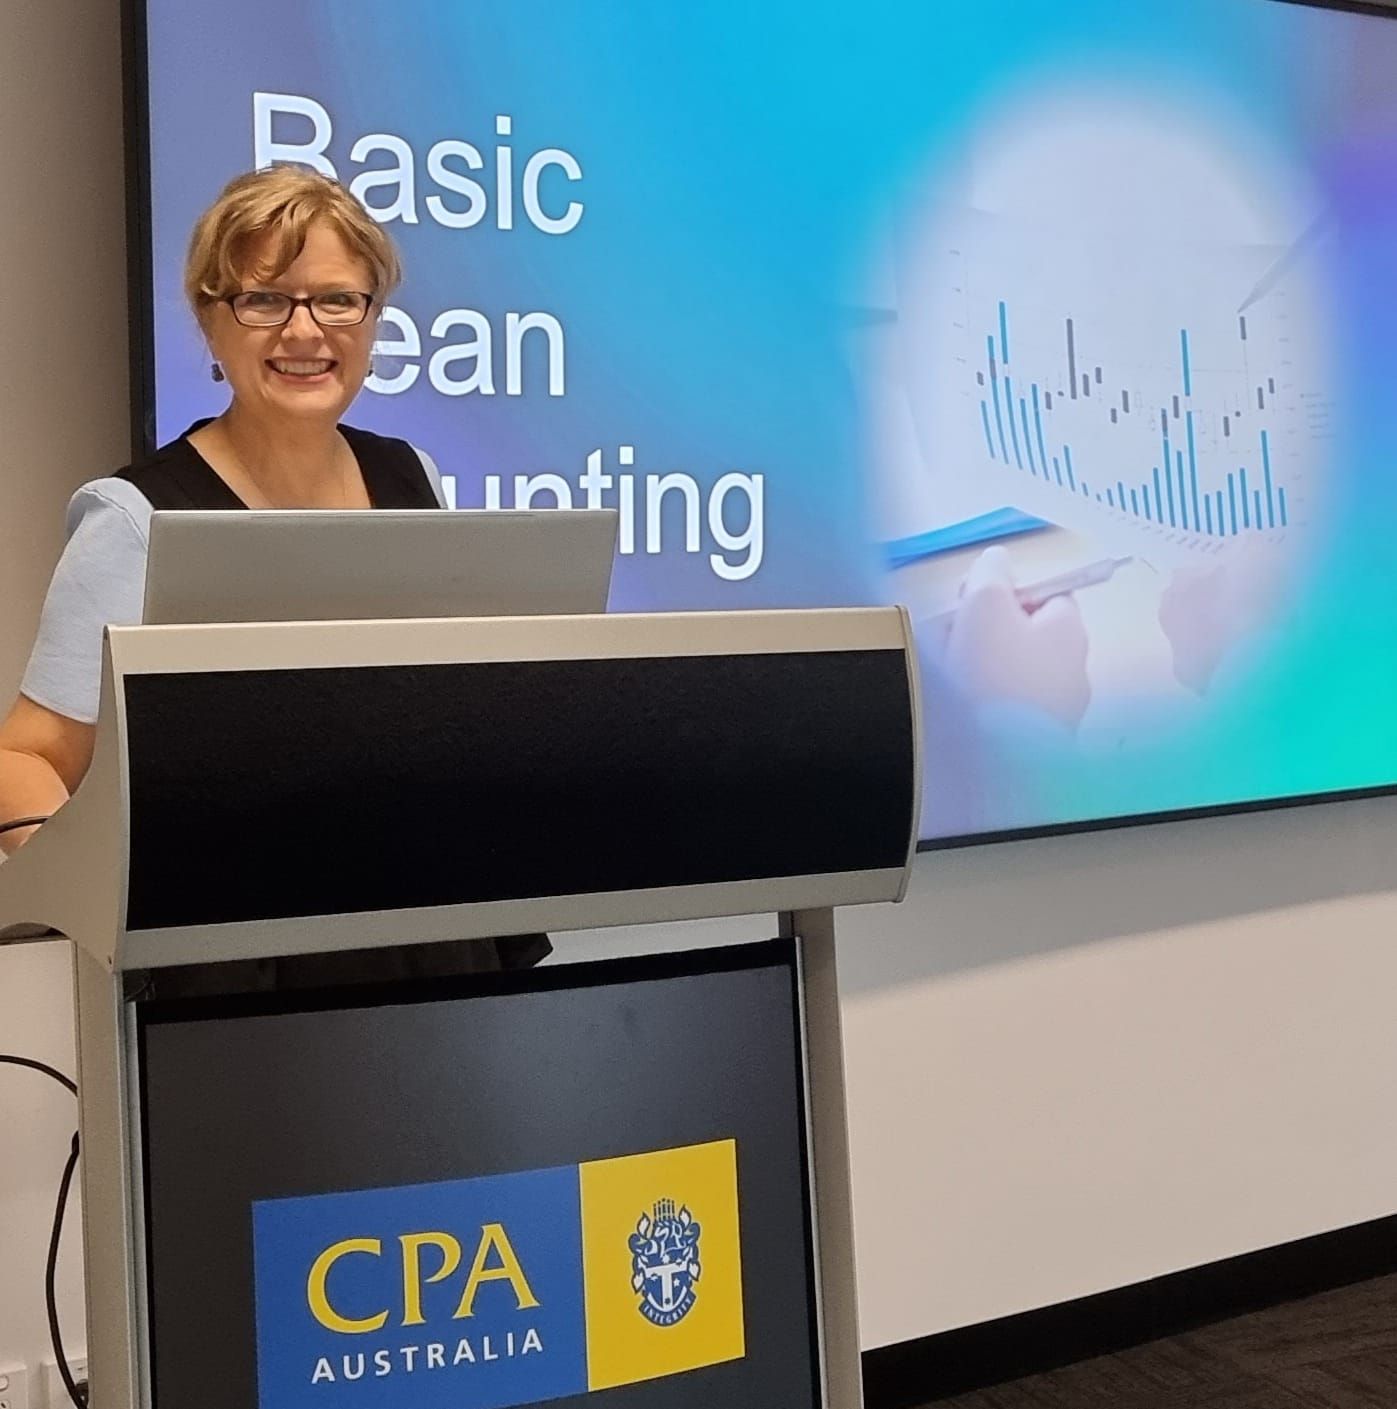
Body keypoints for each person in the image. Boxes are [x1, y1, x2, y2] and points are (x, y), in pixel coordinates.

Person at [0, 166, 547, 978]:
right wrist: (108, 899)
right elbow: (25, 760)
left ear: (372, 318)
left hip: (430, 934)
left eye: (337, 299)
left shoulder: (411, 476)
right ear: (210, 321)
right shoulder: (136, 516)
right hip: (237, 967)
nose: (304, 331)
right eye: (264, 300)